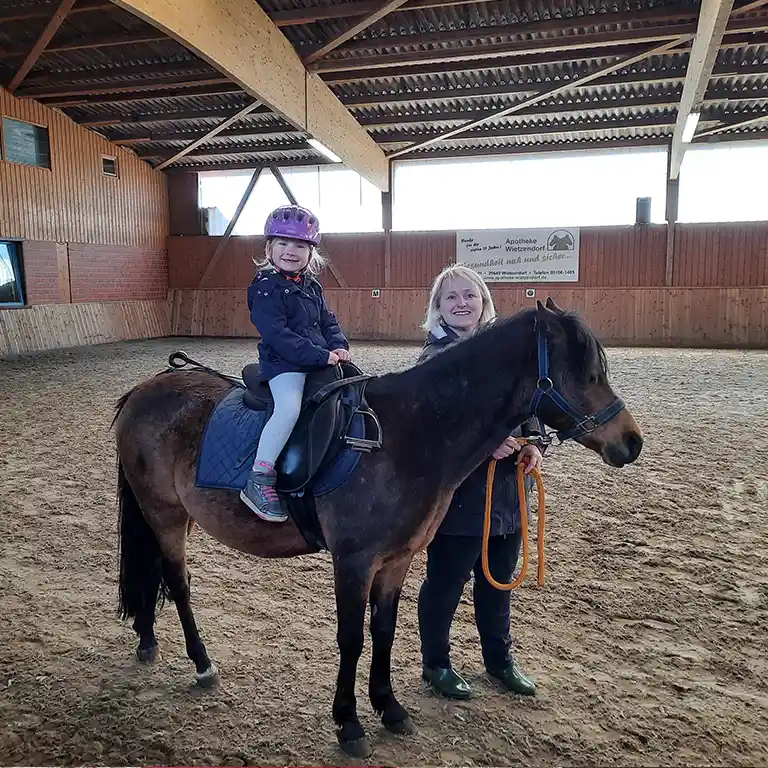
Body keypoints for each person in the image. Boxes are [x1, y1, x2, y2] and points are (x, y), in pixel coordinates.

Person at [417, 264, 543, 700]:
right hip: (459, 493)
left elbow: (528, 410)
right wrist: (485, 444)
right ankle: (436, 664)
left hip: (508, 491)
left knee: (498, 579)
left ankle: (500, 660)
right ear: (438, 309)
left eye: (468, 295)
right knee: (446, 582)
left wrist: (534, 444)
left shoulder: (507, 355)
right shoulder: (434, 360)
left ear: (483, 301)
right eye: (450, 297)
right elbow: (431, 424)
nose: (461, 303)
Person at [240, 205, 351, 523]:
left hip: (316, 361)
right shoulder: (265, 288)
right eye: (284, 243)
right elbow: (278, 334)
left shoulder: (311, 285)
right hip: (284, 364)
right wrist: (319, 355)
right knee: (288, 408)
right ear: (269, 248)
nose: (291, 251)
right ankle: (259, 477)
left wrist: (338, 344)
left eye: (300, 245)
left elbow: (327, 321)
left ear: (310, 252)